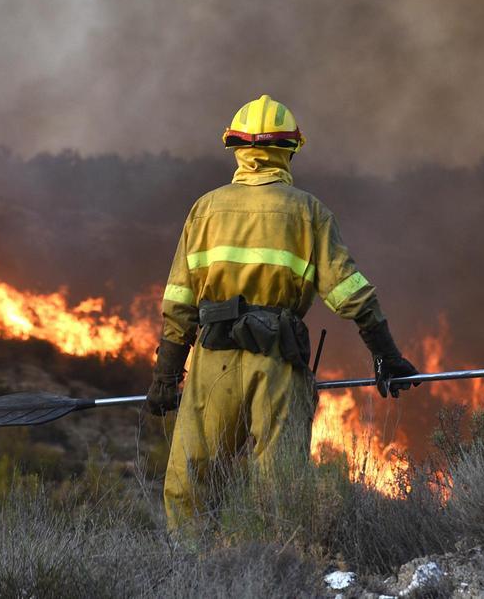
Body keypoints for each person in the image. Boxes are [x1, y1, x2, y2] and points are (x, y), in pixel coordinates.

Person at [146, 94, 419, 535]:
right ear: (289, 150)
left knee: (191, 485)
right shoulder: (309, 212)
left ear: (236, 148)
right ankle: (274, 570)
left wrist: (165, 375)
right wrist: (386, 353)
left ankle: (191, 573)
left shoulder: (205, 209)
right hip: (276, 362)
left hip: (213, 363)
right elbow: (350, 292)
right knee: (280, 489)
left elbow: (179, 300)